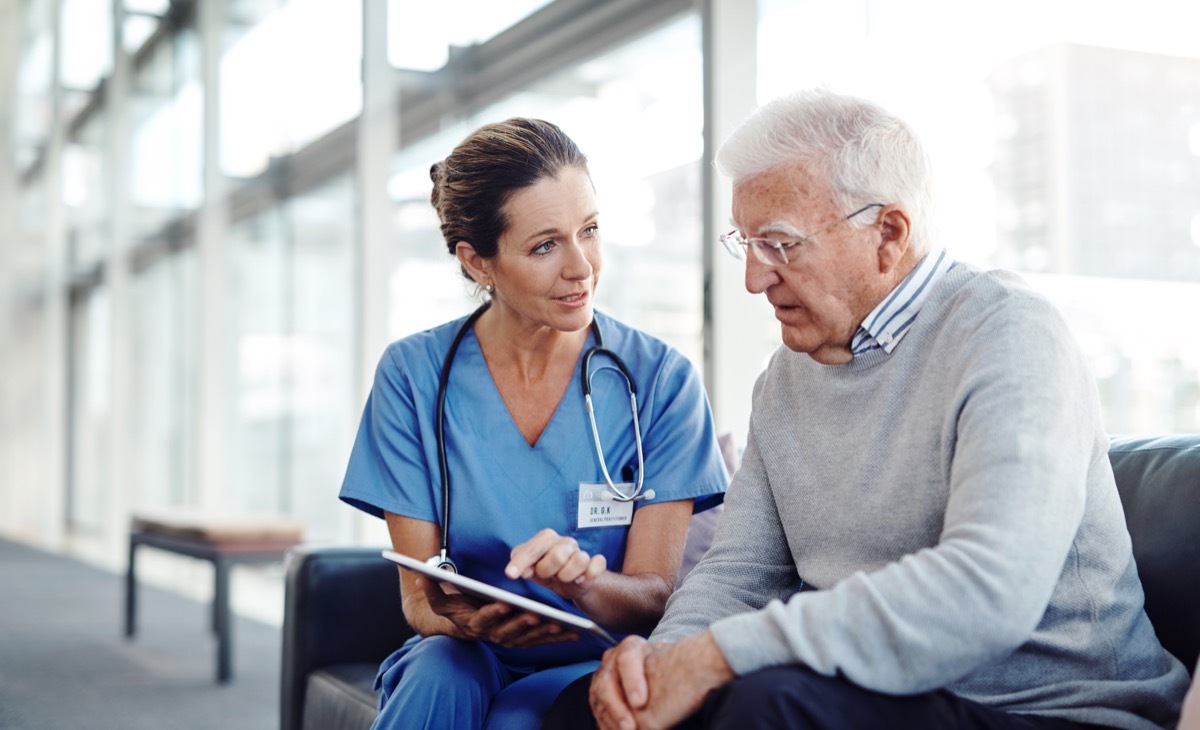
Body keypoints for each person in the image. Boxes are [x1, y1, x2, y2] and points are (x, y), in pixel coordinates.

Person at [544, 89, 1191, 730]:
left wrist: (720, 656)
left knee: (766, 708)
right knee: (589, 712)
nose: (753, 278)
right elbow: (740, 572)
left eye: (779, 243)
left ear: (888, 233)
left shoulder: (1008, 333)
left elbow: (988, 592)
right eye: (744, 242)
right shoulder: (785, 380)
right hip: (877, 697)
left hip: (1055, 711)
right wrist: (660, 667)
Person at [337, 117, 728, 730]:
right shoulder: (413, 375)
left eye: (590, 231)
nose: (582, 268)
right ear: (477, 262)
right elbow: (418, 601)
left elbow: (655, 595)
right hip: (466, 649)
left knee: (521, 718)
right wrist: (462, 618)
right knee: (439, 673)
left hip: (597, 655)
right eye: (545, 245)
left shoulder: (660, 381)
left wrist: (584, 587)